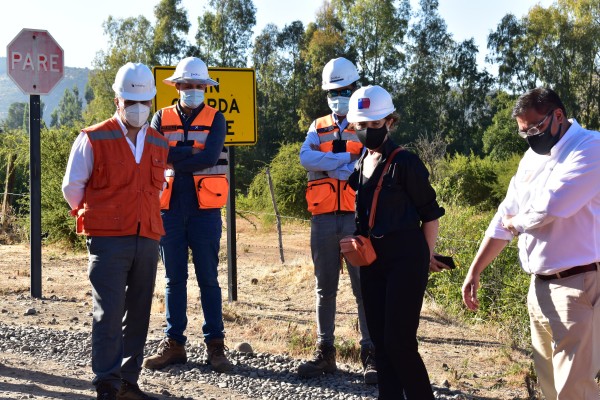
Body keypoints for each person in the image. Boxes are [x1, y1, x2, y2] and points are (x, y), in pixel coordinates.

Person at [462, 87, 600, 399]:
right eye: (525, 132)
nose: (531, 137)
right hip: (538, 287)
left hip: (577, 285)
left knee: (574, 388)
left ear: (558, 116)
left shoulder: (590, 147)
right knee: (549, 385)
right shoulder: (531, 158)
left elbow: (554, 206)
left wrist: (517, 222)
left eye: (535, 128)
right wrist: (475, 269)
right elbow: (504, 214)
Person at [62, 62, 168, 400]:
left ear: (151, 102)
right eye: (131, 102)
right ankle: (107, 383)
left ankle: (127, 382)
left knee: (139, 310)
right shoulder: (92, 138)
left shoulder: (158, 141)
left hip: (148, 236)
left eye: (144, 103)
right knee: (108, 311)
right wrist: (103, 213)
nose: (138, 109)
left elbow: (158, 190)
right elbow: (72, 188)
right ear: (117, 101)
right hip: (107, 239)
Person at [346, 85, 446, 399]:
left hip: (406, 259)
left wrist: (425, 259)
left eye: (374, 125)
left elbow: (430, 215)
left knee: (400, 343)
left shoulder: (406, 163)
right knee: (380, 342)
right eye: (361, 125)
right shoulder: (362, 161)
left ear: (390, 121)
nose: (366, 131)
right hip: (373, 261)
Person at [142, 57, 232, 373]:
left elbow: (209, 156)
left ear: (205, 88)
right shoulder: (159, 117)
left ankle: (216, 347)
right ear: (177, 86)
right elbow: (153, 155)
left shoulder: (216, 118)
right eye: (188, 85)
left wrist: (172, 157)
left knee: (209, 278)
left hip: (204, 211)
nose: (193, 90)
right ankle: (175, 345)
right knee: (173, 279)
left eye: (198, 85)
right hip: (168, 209)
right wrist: (187, 154)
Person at [298, 57, 377, 383]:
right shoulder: (317, 126)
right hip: (323, 220)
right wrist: (344, 158)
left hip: (357, 220)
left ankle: (371, 354)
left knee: (365, 289)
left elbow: (369, 164)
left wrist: (328, 163)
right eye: (333, 91)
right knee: (324, 288)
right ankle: (324, 352)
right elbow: (306, 158)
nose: (338, 96)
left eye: (344, 90)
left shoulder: (367, 125)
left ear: (354, 88)